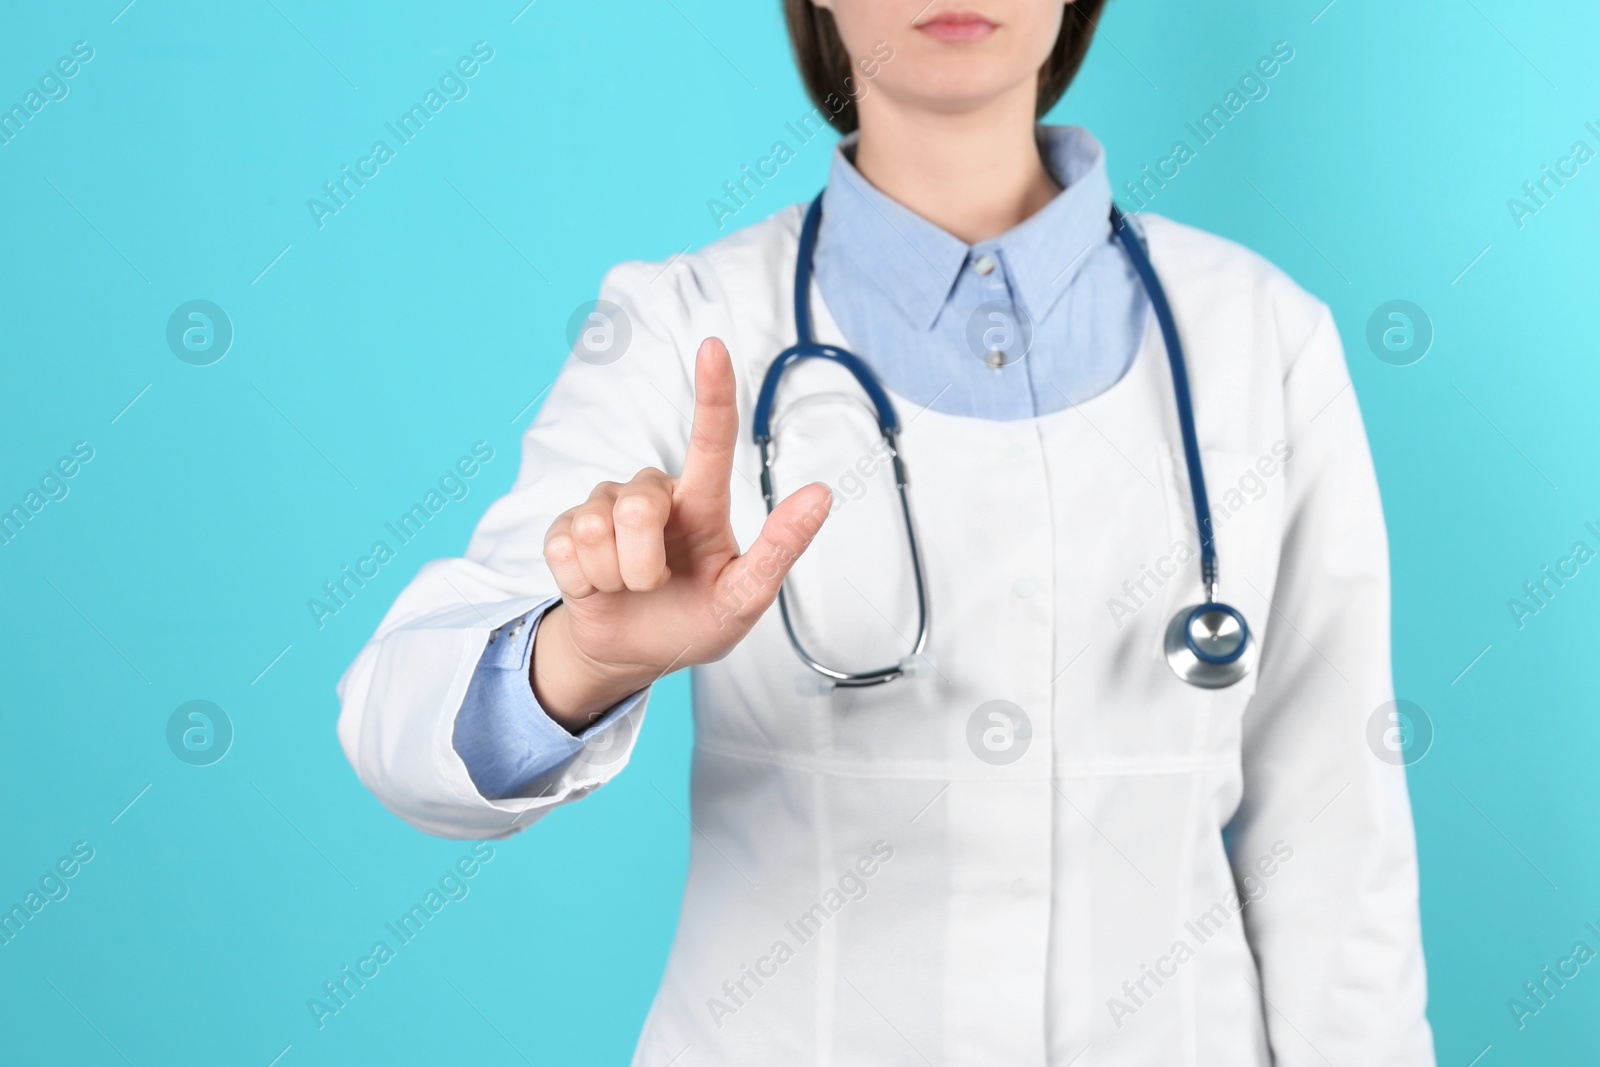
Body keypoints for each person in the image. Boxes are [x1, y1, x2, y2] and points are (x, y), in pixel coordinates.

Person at [337, 1, 1435, 1062]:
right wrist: (580, 657)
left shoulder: (1261, 334)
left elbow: (1338, 836)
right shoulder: (684, 326)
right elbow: (403, 721)